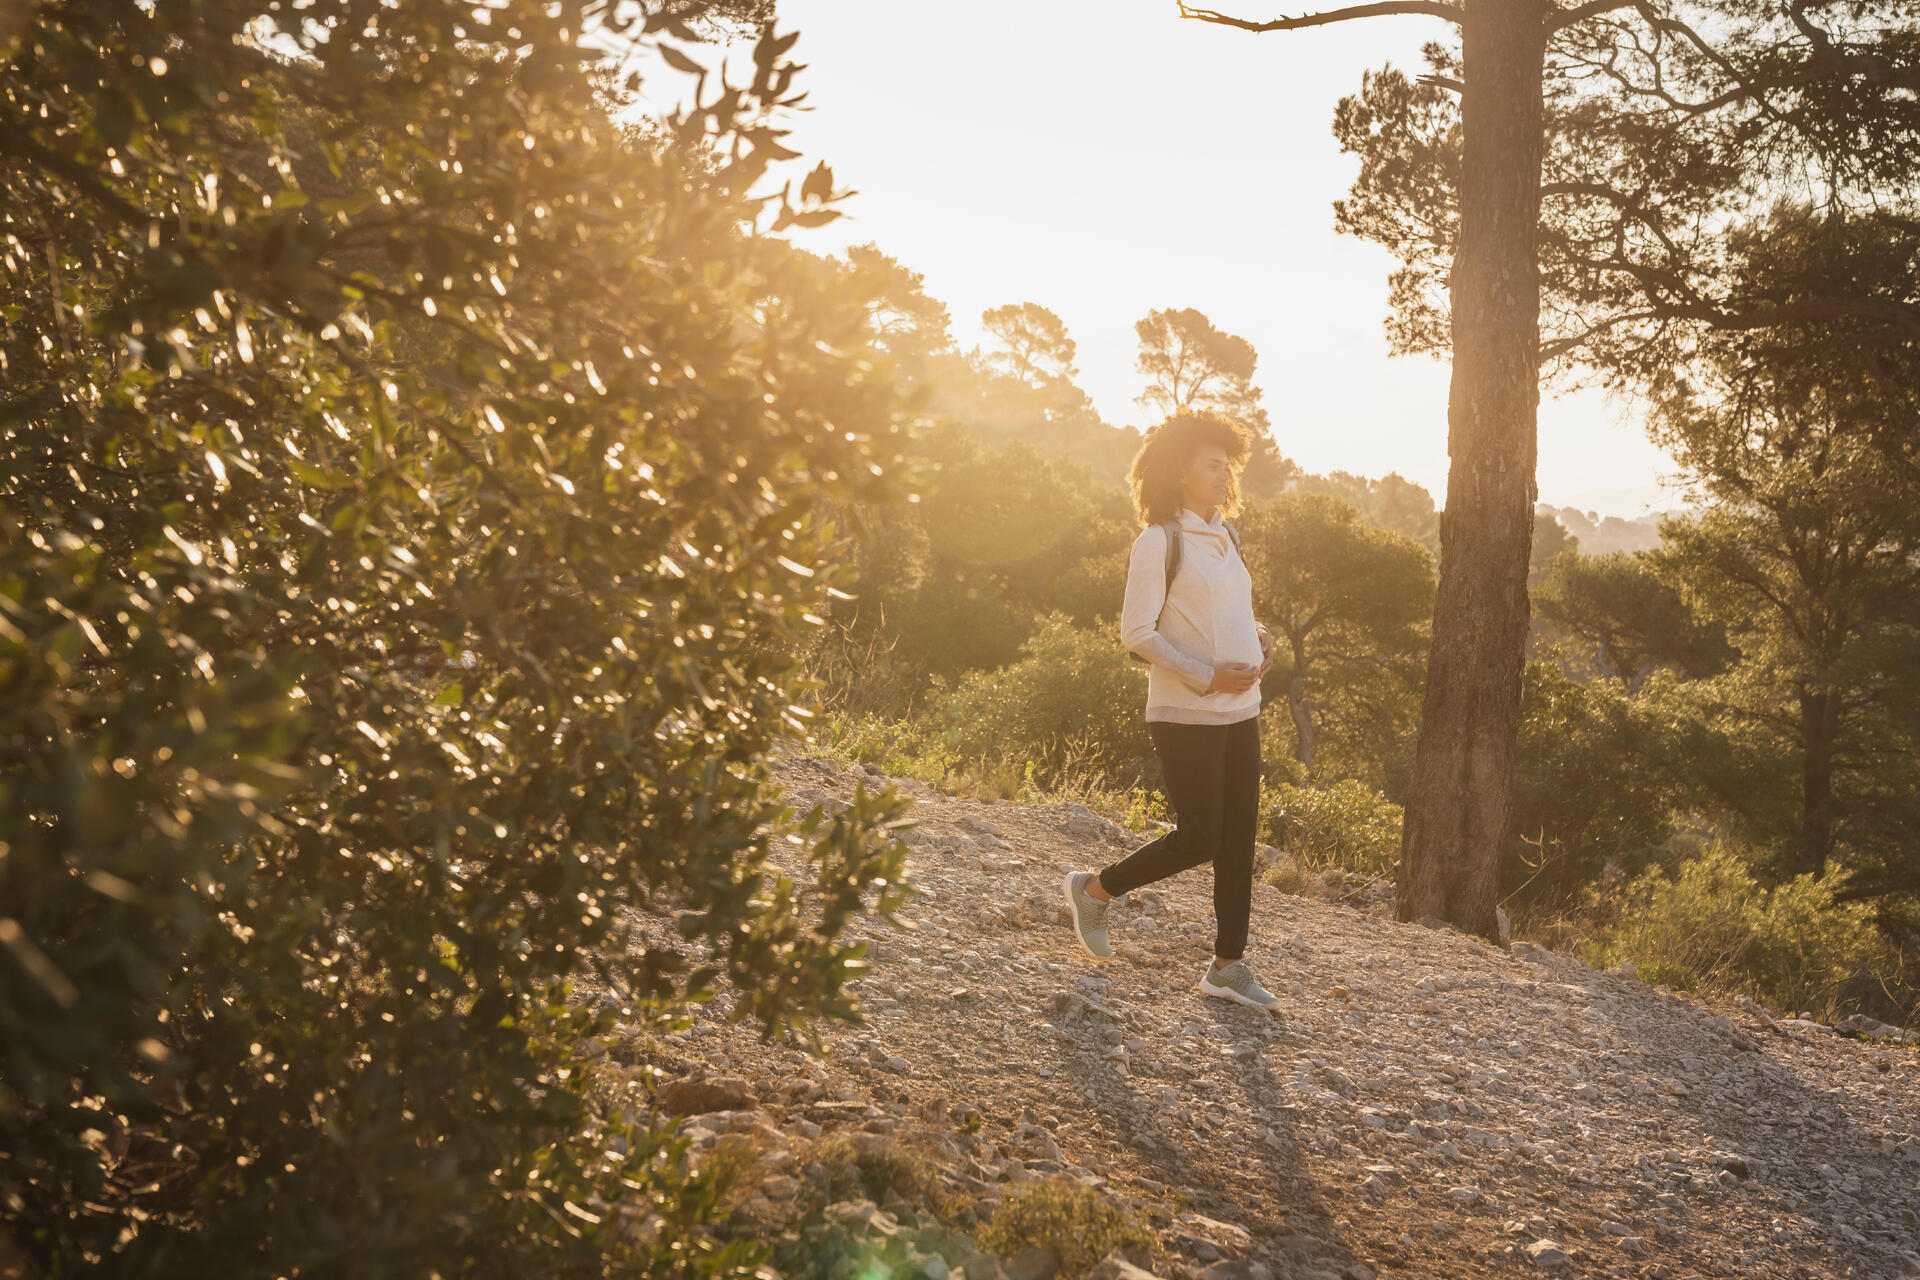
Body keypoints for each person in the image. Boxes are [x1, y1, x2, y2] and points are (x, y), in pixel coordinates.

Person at [1061, 409, 1282, 1012]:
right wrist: (1208, 673)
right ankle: (1095, 889)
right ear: (1181, 470)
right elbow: (1137, 634)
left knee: (1239, 840)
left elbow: (1224, 609)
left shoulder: (1226, 535)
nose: (1223, 475)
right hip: (1184, 712)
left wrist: (1257, 635)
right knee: (1201, 837)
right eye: (1212, 464)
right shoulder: (1160, 540)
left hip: (1243, 709)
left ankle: (1227, 967)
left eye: (1227, 465)